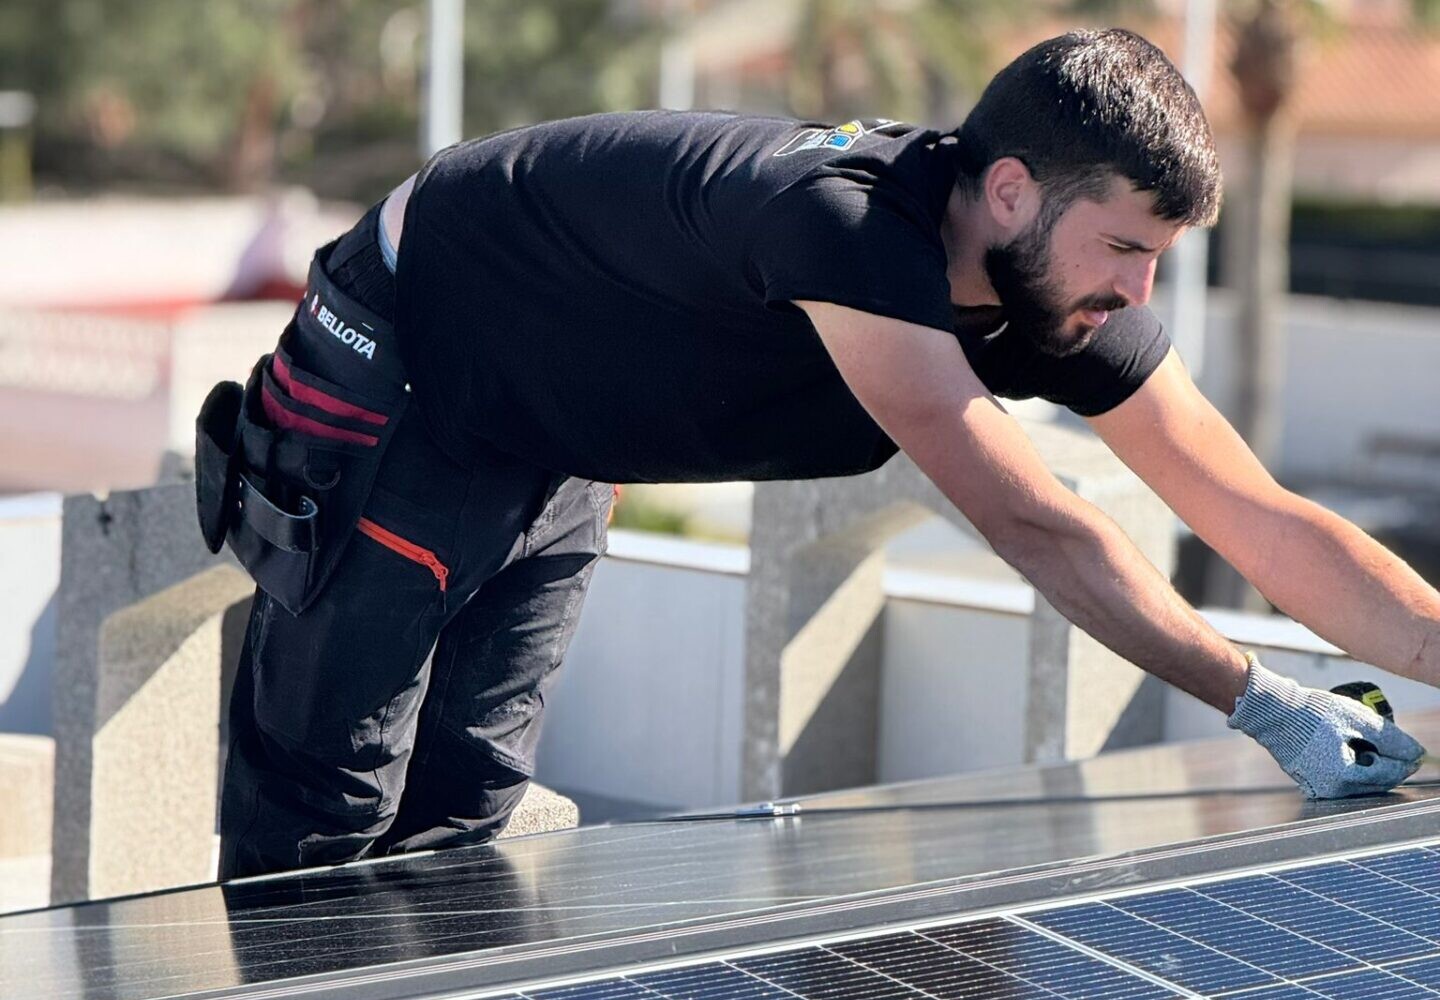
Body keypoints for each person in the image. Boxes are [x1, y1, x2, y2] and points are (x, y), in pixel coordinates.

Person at [197, 28, 1440, 881]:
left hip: (563, 416)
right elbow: (1042, 527)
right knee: (326, 812)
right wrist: (1263, 699)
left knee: (463, 810)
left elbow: (1260, 514)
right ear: (1012, 191)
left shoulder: (1059, 290)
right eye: (1125, 246)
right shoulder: (848, 230)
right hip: (418, 358)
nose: (1141, 287)